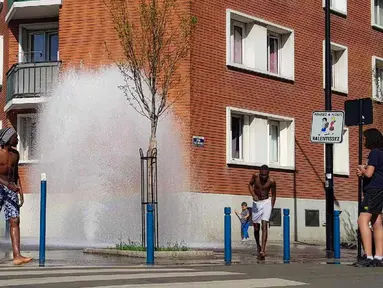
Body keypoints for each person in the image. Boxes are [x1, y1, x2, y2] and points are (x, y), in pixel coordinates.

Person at [0, 127, 32, 265]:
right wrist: (7, 185)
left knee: (15, 220)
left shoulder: (15, 154)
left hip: (12, 189)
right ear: (7, 139)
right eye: (15, 137)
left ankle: (17, 256)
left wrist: (21, 190)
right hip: (1, 187)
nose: (17, 139)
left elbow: (16, 173)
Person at [354, 128, 383, 267]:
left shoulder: (374, 153)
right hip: (379, 190)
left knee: (362, 221)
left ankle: (369, 256)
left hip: (372, 191)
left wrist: (362, 169)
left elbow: (370, 173)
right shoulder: (381, 153)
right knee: (377, 222)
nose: (364, 140)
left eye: (365, 138)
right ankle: (379, 257)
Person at [248, 165, 276, 260]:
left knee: (264, 224)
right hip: (256, 202)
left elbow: (274, 195)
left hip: (266, 202)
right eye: (262, 175)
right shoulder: (255, 176)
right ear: (259, 173)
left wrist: (271, 208)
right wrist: (253, 194)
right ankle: (258, 246)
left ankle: (263, 250)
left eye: (265, 175)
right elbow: (249, 185)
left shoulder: (272, 181)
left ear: (268, 174)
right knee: (256, 228)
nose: (264, 177)